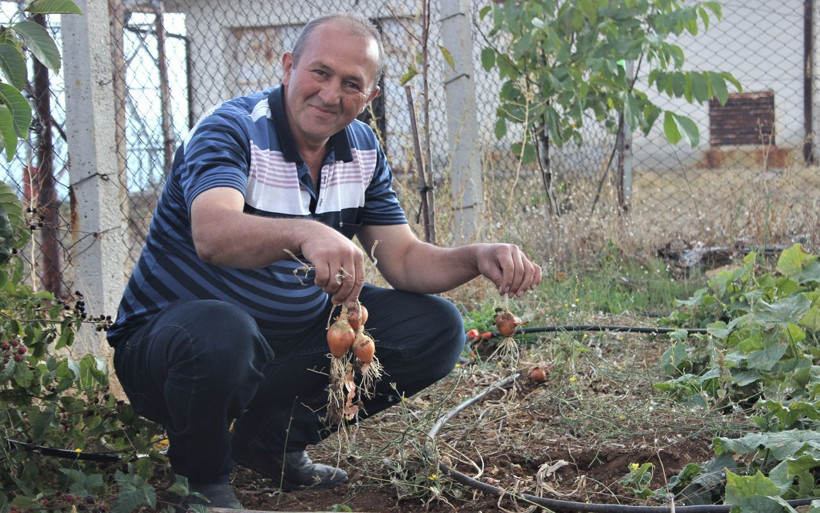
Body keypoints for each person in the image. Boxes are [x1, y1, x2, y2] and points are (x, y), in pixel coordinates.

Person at [107, 12, 542, 509]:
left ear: (370, 96)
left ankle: (269, 442)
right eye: (320, 72)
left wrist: (477, 255)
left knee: (436, 327)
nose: (332, 94)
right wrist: (307, 233)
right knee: (223, 330)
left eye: (351, 83)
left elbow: (402, 259)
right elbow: (213, 234)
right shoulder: (232, 129)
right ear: (289, 67)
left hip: (276, 345)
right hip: (173, 352)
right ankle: (200, 482)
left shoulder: (361, 149)